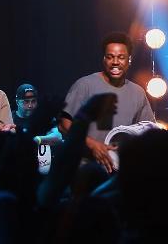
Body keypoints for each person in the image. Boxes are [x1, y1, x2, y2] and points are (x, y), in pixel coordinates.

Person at [59, 33, 155, 173]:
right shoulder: (85, 85)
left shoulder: (138, 92)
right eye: (110, 57)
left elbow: (148, 130)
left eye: (121, 57)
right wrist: (93, 145)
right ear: (104, 59)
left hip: (121, 172)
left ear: (129, 60)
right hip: (86, 169)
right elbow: (64, 124)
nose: (115, 62)